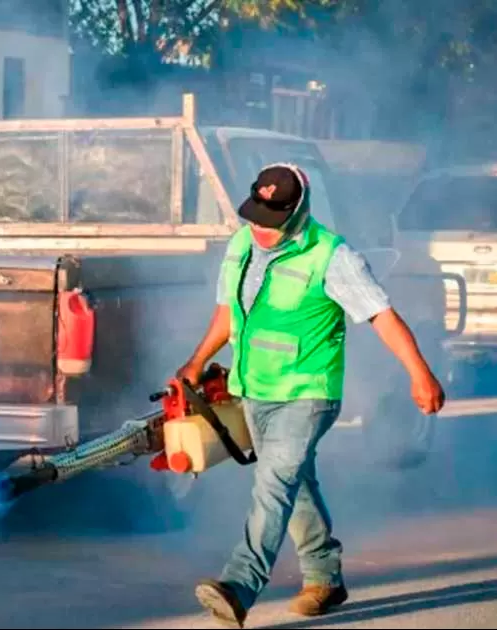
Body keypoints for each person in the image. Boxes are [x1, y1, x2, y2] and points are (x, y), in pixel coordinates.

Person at [178, 163, 446, 628]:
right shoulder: (241, 243)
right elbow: (227, 313)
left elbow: (382, 316)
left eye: (270, 220)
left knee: (274, 483)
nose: (260, 229)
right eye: (254, 216)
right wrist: (196, 361)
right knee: (292, 481)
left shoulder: (332, 255)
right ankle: (324, 577)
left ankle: (239, 585)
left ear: (298, 213)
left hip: (308, 394)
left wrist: (420, 374)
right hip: (254, 390)